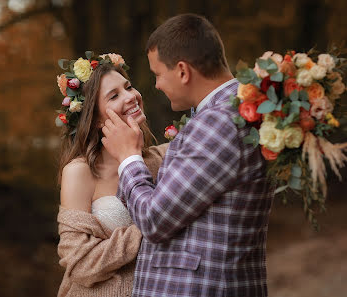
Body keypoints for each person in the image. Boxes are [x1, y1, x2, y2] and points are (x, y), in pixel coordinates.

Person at [101, 14, 275, 297]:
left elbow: (155, 220)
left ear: (182, 71)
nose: (155, 85)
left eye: (158, 74)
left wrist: (128, 157)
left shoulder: (220, 122)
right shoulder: (233, 112)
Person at [56, 54, 167, 297]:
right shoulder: (79, 172)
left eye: (128, 87)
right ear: (95, 119)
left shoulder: (160, 159)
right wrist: (156, 225)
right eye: (114, 96)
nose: (131, 97)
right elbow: (80, 263)